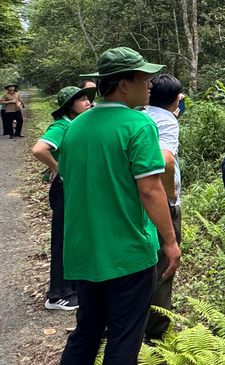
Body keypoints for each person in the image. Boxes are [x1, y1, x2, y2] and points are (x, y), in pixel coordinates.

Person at [58, 47, 181, 365]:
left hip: (84, 252)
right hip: (126, 254)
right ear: (124, 84)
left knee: (86, 331)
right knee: (124, 338)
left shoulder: (76, 128)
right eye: (144, 78)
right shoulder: (138, 125)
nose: (150, 85)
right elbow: (151, 191)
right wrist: (170, 241)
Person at [31, 86, 97, 311]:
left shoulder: (77, 124)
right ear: (69, 106)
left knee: (74, 237)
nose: (87, 102)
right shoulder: (62, 125)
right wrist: (59, 168)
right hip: (64, 189)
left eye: (87, 98)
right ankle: (57, 295)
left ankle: (72, 287)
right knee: (62, 239)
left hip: (74, 189)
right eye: (80, 99)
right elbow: (39, 149)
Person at [143, 74, 184, 341]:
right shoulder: (167, 120)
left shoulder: (141, 115)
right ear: (174, 100)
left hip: (138, 200)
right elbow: (165, 160)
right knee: (165, 265)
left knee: (145, 264)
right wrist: (170, 193)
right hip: (160, 201)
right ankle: (158, 333)